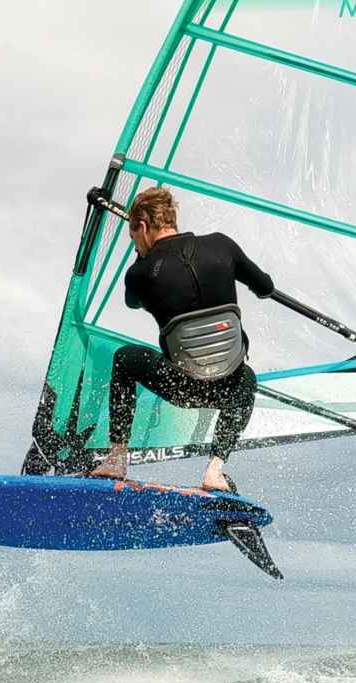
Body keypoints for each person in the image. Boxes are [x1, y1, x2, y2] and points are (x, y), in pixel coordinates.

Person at [90, 187, 274, 492]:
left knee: (125, 358)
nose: (134, 242)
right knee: (247, 379)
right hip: (226, 386)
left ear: (142, 226)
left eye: (133, 236)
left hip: (181, 383)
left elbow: (132, 302)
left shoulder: (140, 274)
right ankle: (215, 470)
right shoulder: (222, 246)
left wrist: (142, 256)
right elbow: (265, 287)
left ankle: (117, 457)